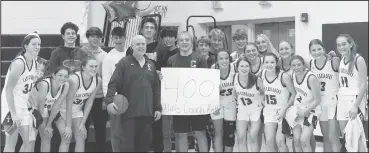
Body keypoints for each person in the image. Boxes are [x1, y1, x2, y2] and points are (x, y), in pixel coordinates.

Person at [104, 35, 162, 152]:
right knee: (128, 146)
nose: (141, 46)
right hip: (129, 113)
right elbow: (113, 83)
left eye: (143, 44)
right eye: (138, 44)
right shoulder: (124, 63)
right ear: (132, 47)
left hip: (147, 112)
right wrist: (109, 101)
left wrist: (158, 108)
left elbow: (156, 88)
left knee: (144, 146)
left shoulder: (151, 64)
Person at [167, 31, 208, 152]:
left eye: (187, 40)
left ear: (191, 42)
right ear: (177, 43)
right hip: (180, 104)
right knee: (181, 134)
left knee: (200, 132)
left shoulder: (199, 58)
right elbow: (169, 83)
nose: (184, 42)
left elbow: (205, 81)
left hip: (197, 103)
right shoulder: (171, 60)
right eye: (181, 40)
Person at [1, 32, 41, 152]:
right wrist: (13, 114)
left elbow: (28, 87)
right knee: (11, 142)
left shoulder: (36, 63)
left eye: (39, 44)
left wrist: (32, 103)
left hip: (23, 105)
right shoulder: (19, 63)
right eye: (34, 44)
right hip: (9, 106)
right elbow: (8, 89)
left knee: (28, 142)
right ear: (25, 46)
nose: (37, 46)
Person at [59, 56, 102, 152]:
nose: (94, 69)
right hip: (62, 110)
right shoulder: (74, 79)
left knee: (81, 136)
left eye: (96, 66)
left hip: (77, 111)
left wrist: (82, 123)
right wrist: (68, 126)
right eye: (91, 66)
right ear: (83, 67)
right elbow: (69, 103)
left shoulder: (98, 80)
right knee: (66, 138)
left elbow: (90, 102)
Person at [308, 39, 342, 152]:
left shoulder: (334, 61)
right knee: (326, 137)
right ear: (310, 52)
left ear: (323, 49)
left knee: (333, 137)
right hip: (320, 104)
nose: (316, 52)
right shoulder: (310, 64)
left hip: (333, 102)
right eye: (313, 50)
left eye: (319, 49)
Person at [336, 34, 367, 152]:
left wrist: (355, 106)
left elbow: (364, 85)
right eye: (338, 45)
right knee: (346, 137)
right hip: (342, 99)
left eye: (344, 44)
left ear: (350, 44)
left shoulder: (359, 59)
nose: (341, 47)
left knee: (357, 138)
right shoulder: (341, 60)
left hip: (354, 100)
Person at [261, 53, 296, 152]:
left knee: (280, 141)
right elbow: (259, 91)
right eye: (266, 62)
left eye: (272, 62)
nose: (269, 64)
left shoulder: (283, 76)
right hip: (269, 111)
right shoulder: (262, 74)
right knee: (269, 141)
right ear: (263, 63)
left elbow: (294, 94)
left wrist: (285, 109)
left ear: (276, 63)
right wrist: (262, 100)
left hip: (283, 111)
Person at [285, 55, 321, 152]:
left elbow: (317, 100)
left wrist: (306, 110)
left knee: (304, 140)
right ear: (291, 67)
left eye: (299, 65)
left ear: (303, 65)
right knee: (296, 140)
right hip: (298, 110)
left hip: (311, 111)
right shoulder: (292, 75)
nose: (296, 67)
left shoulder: (311, 78)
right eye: (294, 65)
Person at [80, 27, 108, 152]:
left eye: (98, 36)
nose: (95, 39)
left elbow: (106, 77)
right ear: (88, 38)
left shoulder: (104, 55)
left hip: (99, 97)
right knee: (83, 127)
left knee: (100, 128)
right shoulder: (81, 52)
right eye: (92, 36)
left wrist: (106, 99)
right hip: (83, 97)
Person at [101, 27, 127, 152]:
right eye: (116, 38)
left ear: (125, 38)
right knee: (116, 132)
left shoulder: (130, 53)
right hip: (116, 98)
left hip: (130, 97)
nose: (118, 40)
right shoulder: (109, 58)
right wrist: (109, 101)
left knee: (128, 132)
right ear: (112, 39)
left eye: (121, 37)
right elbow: (106, 81)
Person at [33, 66, 70, 152]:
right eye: (60, 75)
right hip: (37, 109)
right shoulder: (45, 84)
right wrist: (47, 126)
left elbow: (56, 106)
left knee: (66, 136)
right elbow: (40, 109)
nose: (63, 78)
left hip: (49, 108)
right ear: (54, 75)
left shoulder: (66, 86)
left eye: (65, 76)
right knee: (46, 136)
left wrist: (49, 124)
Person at [155, 28, 179, 152]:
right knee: (165, 130)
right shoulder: (162, 53)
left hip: (178, 96)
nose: (168, 39)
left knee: (179, 131)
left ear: (175, 38)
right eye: (166, 37)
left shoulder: (180, 52)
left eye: (171, 36)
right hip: (164, 95)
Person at [233, 57, 264, 152]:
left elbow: (263, 93)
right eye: (241, 66)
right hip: (242, 110)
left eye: (246, 66)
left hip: (256, 110)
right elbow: (235, 93)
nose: (244, 68)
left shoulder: (256, 79)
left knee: (253, 136)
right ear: (237, 67)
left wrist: (261, 102)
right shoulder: (234, 77)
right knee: (241, 138)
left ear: (250, 68)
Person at [210, 50, 237, 152]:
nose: (224, 61)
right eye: (221, 58)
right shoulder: (213, 69)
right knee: (218, 132)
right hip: (217, 104)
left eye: (226, 58)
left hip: (231, 104)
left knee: (229, 133)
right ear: (217, 60)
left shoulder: (234, 68)